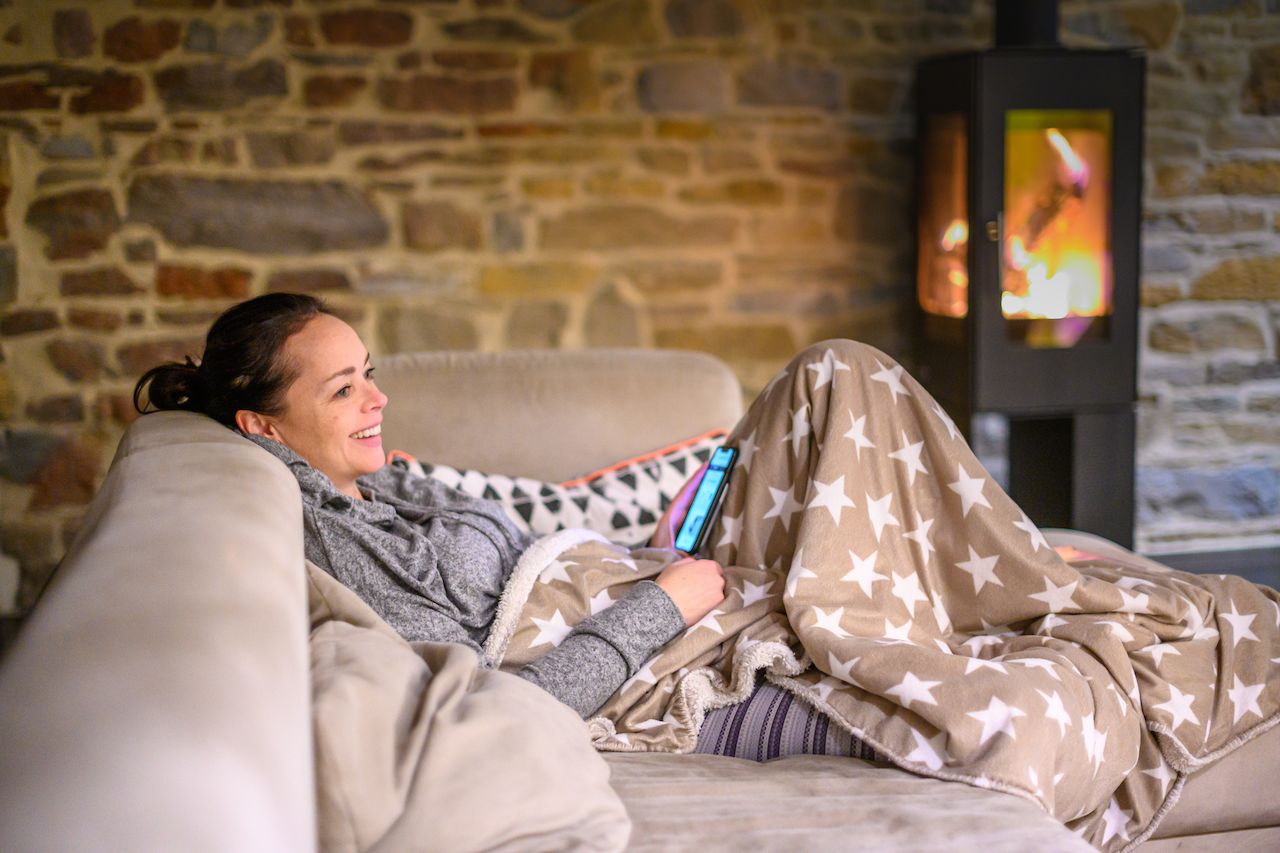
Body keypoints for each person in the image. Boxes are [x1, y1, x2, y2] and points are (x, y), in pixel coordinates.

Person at [133, 293, 889, 762]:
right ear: (262, 426)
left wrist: (645, 549)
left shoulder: (375, 481)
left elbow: (529, 534)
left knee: (831, 379)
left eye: (368, 370)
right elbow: (498, 708)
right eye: (343, 389)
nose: (379, 397)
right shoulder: (340, 548)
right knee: (898, 683)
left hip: (647, 573)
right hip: (657, 649)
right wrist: (664, 602)